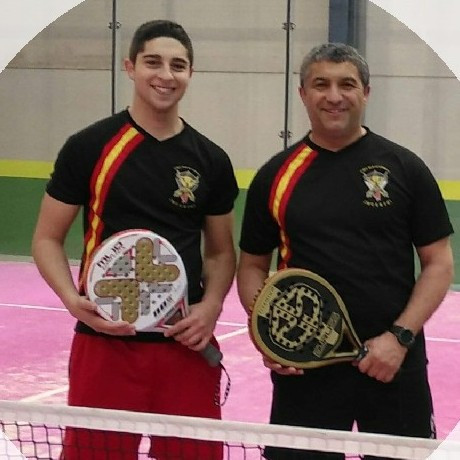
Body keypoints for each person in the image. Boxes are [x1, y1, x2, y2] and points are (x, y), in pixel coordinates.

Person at [32, 19, 238, 460]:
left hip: (185, 346)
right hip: (106, 343)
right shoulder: (88, 147)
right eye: (153, 62)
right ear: (130, 67)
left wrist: (211, 306)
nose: (166, 75)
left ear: (190, 73)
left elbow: (221, 252)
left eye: (178, 65)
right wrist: (71, 299)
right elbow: (47, 238)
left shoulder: (212, 160)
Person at [237, 43, 454, 460]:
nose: (334, 96)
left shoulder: (405, 168)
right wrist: (269, 336)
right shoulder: (275, 176)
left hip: (394, 365)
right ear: (303, 93)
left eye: (347, 84)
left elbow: (439, 263)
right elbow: (251, 266)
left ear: (366, 92)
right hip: (305, 372)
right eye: (321, 84)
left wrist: (399, 338)